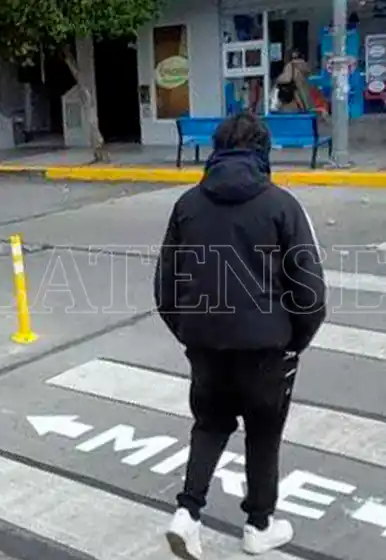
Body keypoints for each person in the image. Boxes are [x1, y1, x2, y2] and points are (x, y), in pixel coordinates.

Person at [154, 112, 326, 559]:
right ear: (263, 152)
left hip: (205, 345)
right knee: (263, 434)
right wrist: (294, 341)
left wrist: (191, 332)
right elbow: (309, 292)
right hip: (267, 347)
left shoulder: (187, 205)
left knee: (209, 425)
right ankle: (258, 525)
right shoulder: (281, 205)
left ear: (216, 150)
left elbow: (165, 286)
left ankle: (187, 513)